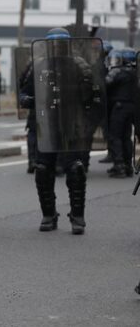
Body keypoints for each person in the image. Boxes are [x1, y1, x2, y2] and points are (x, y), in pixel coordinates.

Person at [30, 28, 95, 235]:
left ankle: (77, 217)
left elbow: (93, 96)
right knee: (42, 169)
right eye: (54, 45)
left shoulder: (79, 65)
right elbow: (26, 89)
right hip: (46, 124)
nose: (57, 48)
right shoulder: (39, 64)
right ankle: (49, 215)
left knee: (75, 169)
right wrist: (27, 100)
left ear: (68, 45)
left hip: (71, 124)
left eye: (60, 44)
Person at [105, 49, 135, 178]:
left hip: (119, 107)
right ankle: (128, 166)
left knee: (114, 136)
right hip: (131, 108)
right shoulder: (134, 73)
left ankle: (119, 165)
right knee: (126, 137)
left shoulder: (118, 72)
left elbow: (105, 84)